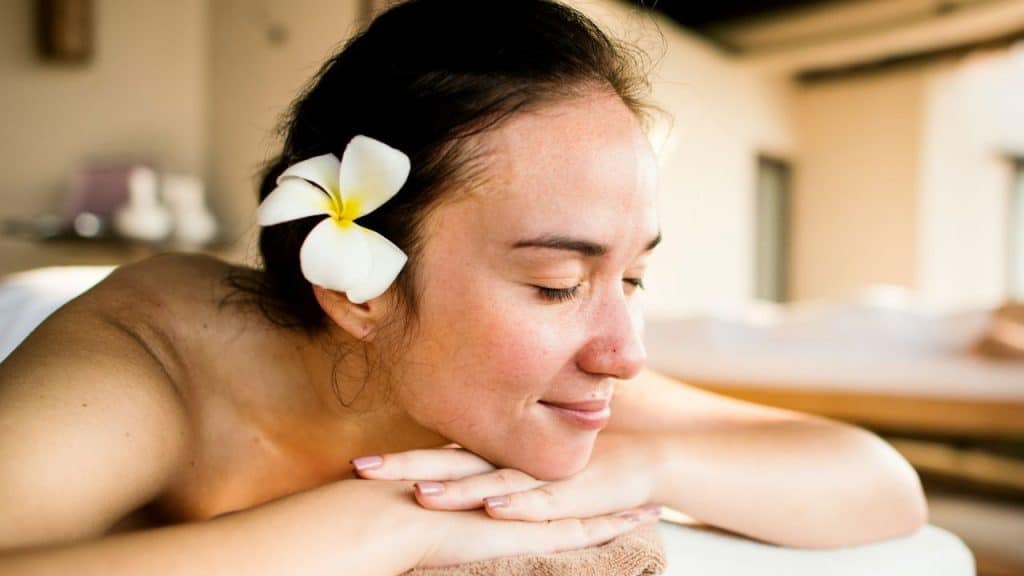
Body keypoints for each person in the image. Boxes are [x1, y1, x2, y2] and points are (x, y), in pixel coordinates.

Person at [0, 0, 927, 573]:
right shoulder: (146, 368)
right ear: (361, 292)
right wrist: (384, 523)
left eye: (633, 275)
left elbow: (880, 483)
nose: (626, 351)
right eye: (559, 283)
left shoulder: (503, 373)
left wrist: (646, 464)